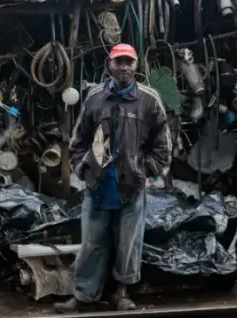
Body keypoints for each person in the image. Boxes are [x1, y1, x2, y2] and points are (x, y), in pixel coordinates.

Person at [54, 43, 172, 313]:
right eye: (119, 62)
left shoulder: (149, 99)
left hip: (130, 186)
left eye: (129, 62)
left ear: (136, 65)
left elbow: (163, 146)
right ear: (109, 65)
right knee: (91, 243)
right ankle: (84, 295)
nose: (124, 67)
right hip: (98, 184)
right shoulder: (95, 97)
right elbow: (78, 139)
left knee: (128, 243)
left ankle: (121, 294)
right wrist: (83, 169)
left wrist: (144, 170)